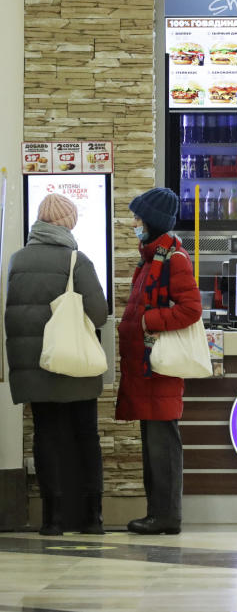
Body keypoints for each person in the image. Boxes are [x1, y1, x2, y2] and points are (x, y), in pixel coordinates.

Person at [6, 194, 108, 536]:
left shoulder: (17, 261)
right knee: (85, 436)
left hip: (37, 367)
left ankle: (53, 520)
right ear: (67, 223)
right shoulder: (77, 261)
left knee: (46, 437)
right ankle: (92, 518)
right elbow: (99, 313)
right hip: (75, 365)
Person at [116, 187, 202, 535]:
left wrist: (149, 322)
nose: (134, 223)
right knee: (153, 445)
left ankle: (167, 516)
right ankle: (158, 514)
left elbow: (191, 309)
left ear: (152, 221)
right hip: (146, 366)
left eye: (138, 217)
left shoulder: (173, 259)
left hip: (161, 367)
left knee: (163, 445)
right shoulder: (152, 257)